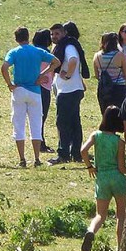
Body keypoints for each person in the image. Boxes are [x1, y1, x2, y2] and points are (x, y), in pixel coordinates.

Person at [1, 26, 60, 167]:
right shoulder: (38, 51)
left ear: (16, 39)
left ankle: (22, 158)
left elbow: (4, 67)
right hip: (35, 90)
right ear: (28, 37)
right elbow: (56, 62)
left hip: (19, 89)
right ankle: (37, 158)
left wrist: (10, 84)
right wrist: (43, 74)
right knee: (36, 124)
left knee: (19, 124)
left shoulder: (14, 52)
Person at [79, 105, 126, 251]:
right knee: (121, 216)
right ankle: (120, 249)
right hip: (118, 179)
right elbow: (122, 168)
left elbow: (83, 151)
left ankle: (90, 231)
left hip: (101, 178)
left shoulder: (96, 135)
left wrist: (89, 166)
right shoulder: (119, 142)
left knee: (100, 215)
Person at [49, 22, 88, 165]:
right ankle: (76, 154)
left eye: (57, 33)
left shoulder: (68, 46)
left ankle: (64, 154)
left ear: (64, 33)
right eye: (52, 34)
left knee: (63, 123)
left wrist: (68, 75)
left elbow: (73, 60)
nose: (54, 36)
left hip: (68, 90)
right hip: (70, 90)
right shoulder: (64, 46)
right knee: (74, 123)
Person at [32, 29, 56, 153]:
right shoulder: (46, 53)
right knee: (42, 116)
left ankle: (38, 141)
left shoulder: (32, 51)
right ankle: (40, 143)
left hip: (31, 86)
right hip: (44, 87)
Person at [92, 32, 126, 114]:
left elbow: (97, 75)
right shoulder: (119, 55)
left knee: (105, 113)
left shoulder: (97, 56)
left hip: (103, 88)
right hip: (118, 88)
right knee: (120, 113)